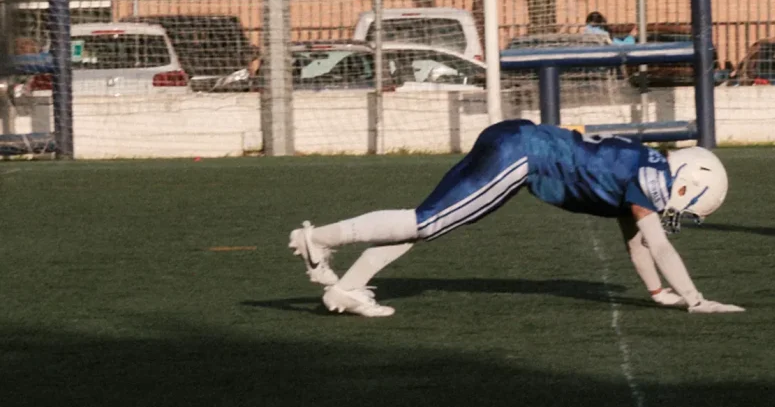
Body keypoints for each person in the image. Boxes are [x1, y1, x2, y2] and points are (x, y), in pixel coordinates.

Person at [287, 119, 744, 317]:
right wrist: (695, 298)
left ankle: (347, 288)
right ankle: (319, 239)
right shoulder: (650, 177)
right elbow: (658, 243)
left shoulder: (646, 170)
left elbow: (638, 242)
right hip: (521, 155)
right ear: (686, 183)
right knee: (425, 222)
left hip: (516, 138)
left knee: (429, 222)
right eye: (688, 204)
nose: (679, 212)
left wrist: (660, 292)